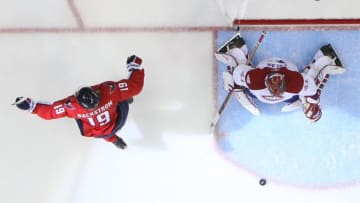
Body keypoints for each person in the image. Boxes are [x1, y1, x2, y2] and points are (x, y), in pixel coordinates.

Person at [13, 55, 144, 149]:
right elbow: (135, 86)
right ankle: (126, 101)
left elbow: (50, 112)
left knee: (100, 131)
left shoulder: (73, 107)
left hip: (98, 132)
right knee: (122, 96)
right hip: (118, 121)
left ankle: (114, 140)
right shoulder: (110, 93)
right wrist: (135, 67)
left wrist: (31, 107)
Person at [215, 33, 345, 122]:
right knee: (237, 85)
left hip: (273, 86)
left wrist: (231, 80)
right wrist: (312, 102)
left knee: (238, 83)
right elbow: (312, 90)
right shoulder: (257, 79)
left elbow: (237, 73)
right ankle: (325, 57)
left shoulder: (257, 79)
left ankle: (237, 49)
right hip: (281, 87)